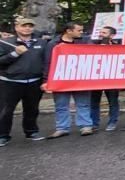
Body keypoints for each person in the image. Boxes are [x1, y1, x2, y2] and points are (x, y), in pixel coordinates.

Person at [0, 16, 47, 146]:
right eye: (24, 25)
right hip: (10, 82)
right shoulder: (5, 42)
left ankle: (31, 131)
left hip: (34, 81)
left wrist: (45, 80)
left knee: (32, 109)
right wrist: (15, 54)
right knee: (5, 110)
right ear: (16, 28)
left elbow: (46, 62)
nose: (27, 28)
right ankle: (3, 135)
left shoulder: (41, 43)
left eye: (30, 26)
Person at [43, 22, 93, 139]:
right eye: (79, 30)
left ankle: (85, 126)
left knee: (83, 104)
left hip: (80, 78)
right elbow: (48, 62)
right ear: (69, 31)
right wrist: (46, 80)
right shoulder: (53, 44)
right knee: (61, 105)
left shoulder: (84, 41)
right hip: (60, 79)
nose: (81, 33)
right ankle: (62, 128)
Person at [90, 25, 122, 130]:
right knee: (94, 101)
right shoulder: (92, 45)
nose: (101, 34)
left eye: (104, 33)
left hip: (112, 78)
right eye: (100, 32)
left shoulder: (118, 47)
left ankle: (112, 122)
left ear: (112, 35)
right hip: (96, 78)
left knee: (113, 101)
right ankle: (94, 123)